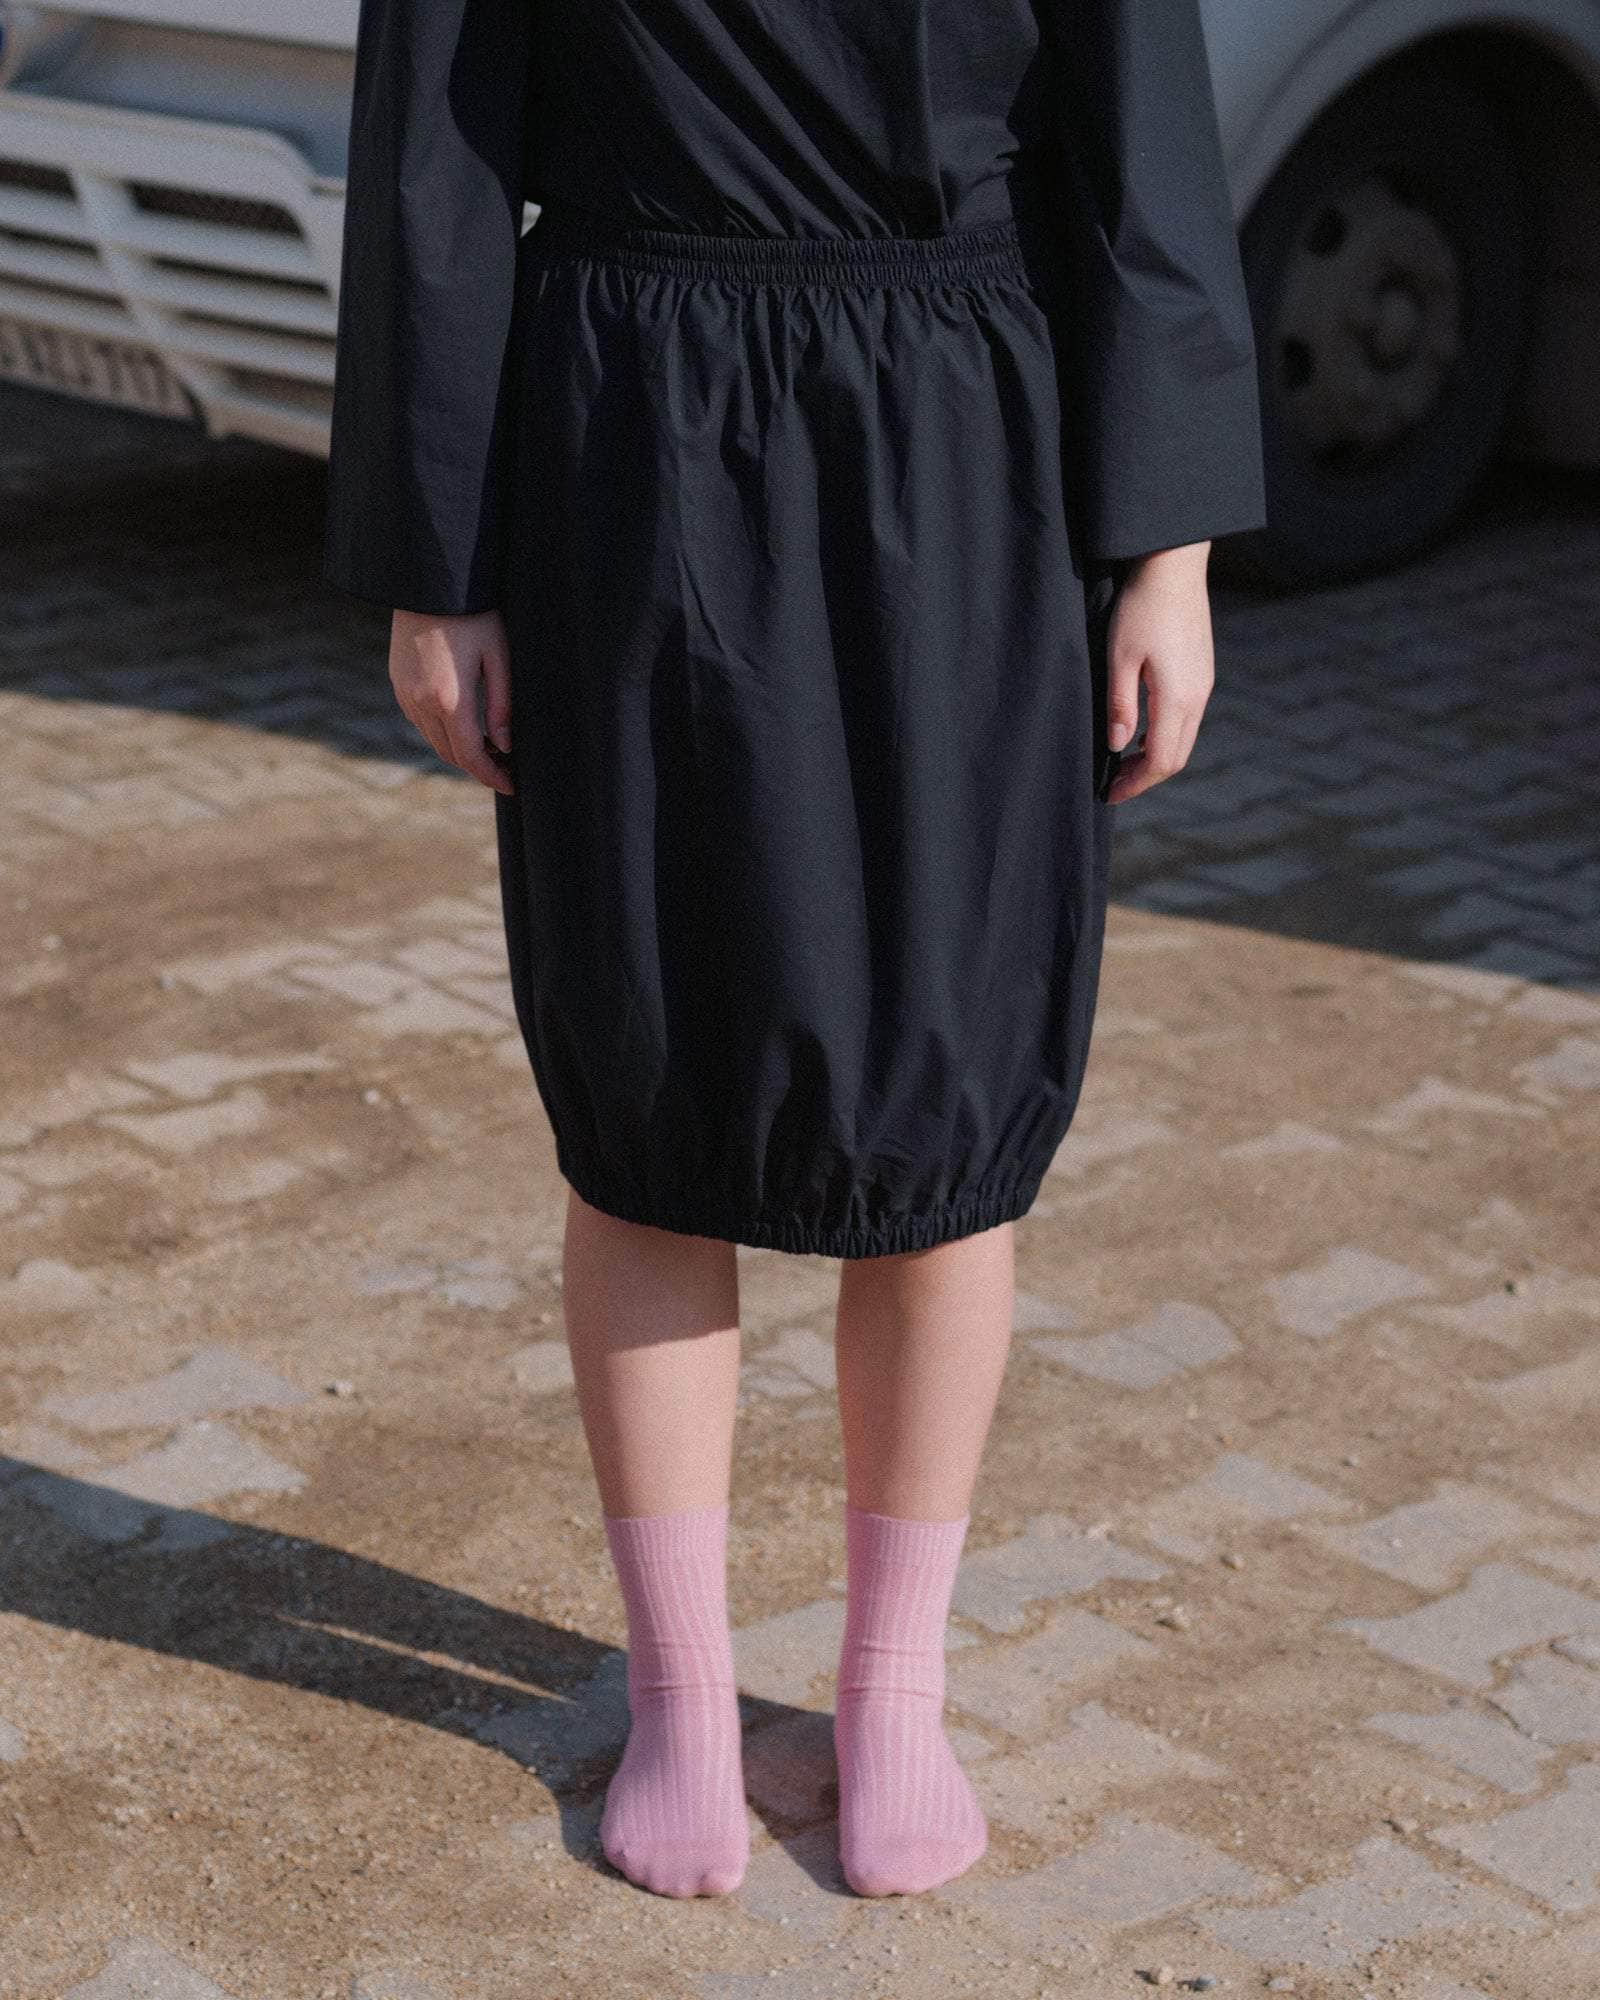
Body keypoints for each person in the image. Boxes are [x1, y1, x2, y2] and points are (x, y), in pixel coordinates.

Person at [322, 0, 1266, 1904]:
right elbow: (434, 140)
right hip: (630, 428)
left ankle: (893, 1691)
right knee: (649, 1080)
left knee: (944, 1096)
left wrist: (1169, 552)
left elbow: (1141, 130)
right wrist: (440, 564)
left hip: (961, 430)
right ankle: (681, 1699)